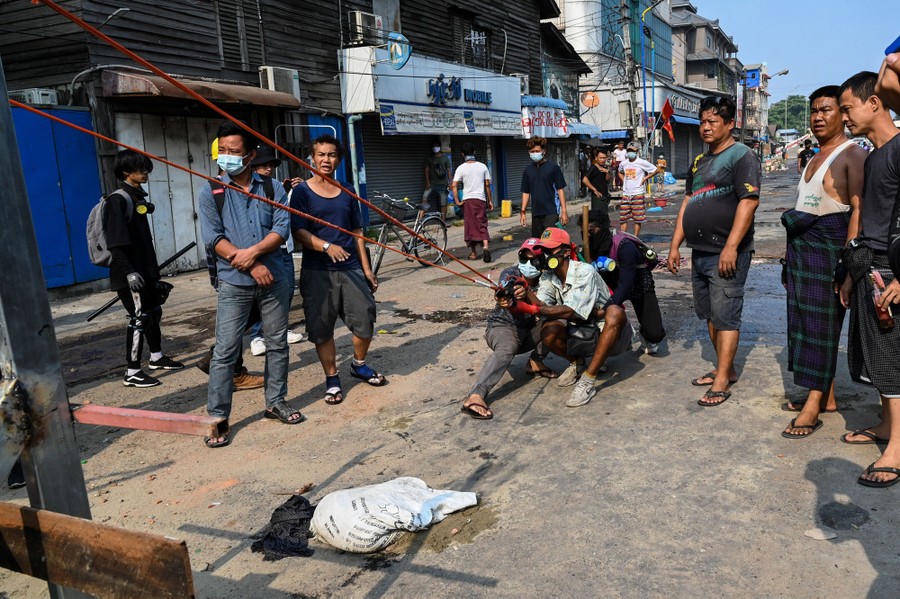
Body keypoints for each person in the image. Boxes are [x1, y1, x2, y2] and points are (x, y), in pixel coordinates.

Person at [198, 121, 300, 448]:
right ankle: (218, 417)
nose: (226, 157)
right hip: (234, 281)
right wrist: (252, 264)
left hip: (275, 277)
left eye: (234, 152)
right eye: (222, 151)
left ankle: (275, 401)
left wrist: (254, 255)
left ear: (251, 155)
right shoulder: (211, 190)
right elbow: (214, 238)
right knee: (226, 350)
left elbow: (281, 229)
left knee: (277, 343)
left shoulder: (272, 189)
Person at [780, 85, 865, 439]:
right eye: (814, 111)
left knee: (822, 328)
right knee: (803, 324)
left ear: (842, 115)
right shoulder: (815, 155)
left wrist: (847, 263)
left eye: (826, 110)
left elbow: (859, 209)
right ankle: (826, 397)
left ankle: (813, 406)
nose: (818, 117)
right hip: (803, 250)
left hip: (829, 250)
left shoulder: (852, 155)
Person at [666, 95, 761, 407]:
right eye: (702, 122)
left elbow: (748, 202)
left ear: (729, 124)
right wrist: (674, 245)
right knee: (708, 313)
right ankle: (726, 368)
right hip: (700, 252)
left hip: (727, 252)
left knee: (726, 316)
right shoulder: (699, 161)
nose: (705, 128)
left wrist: (731, 247)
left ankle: (722, 380)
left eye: (712, 122)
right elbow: (687, 203)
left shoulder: (742, 156)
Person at [836, 71, 900, 487]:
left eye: (847, 108)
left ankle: (897, 447)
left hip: (890, 269)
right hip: (867, 263)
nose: (844, 117)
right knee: (876, 355)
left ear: (873, 103)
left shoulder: (898, 149)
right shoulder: (875, 155)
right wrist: (849, 274)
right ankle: (884, 425)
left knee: (893, 360)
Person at [291, 135, 385, 407]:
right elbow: (299, 231)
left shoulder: (347, 190)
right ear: (312, 158)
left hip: (351, 267)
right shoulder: (302, 192)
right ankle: (332, 378)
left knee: (365, 319)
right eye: (320, 154)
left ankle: (358, 364)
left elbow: (357, 232)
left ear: (339, 160)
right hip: (317, 269)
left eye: (331, 155)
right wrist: (325, 246)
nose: (326, 160)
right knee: (322, 328)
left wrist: (367, 269)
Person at [525, 228, 632, 408]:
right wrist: (524, 291)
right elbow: (543, 305)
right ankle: (577, 363)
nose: (545, 255)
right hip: (581, 333)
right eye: (543, 250)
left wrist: (537, 308)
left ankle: (588, 381)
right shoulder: (547, 277)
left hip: (611, 335)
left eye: (550, 250)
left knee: (614, 312)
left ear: (566, 252)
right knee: (548, 330)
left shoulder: (585, 271)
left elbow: (570, 312)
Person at [105, 149, 184, 388]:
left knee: (153, 312)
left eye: (146, 167)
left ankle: (157, 357)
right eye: (140, 169)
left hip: (144, 271)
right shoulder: (118, 200)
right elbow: (115, 244)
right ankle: (132, 372)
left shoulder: (136, 196)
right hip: (130, 275)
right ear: (126, 172)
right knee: (139, 318)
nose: (146, 172)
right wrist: (129, 272)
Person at [461, 238, 557, 420]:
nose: (527, 264)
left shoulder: (548, 278)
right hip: (502, 326)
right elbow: (507, 285)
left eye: (533, 260)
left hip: (529, 331)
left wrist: (528, 294)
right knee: (507, 348)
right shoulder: (511, 272)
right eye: (524, 259)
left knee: (558, 319)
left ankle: (536, 362)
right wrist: (507, 296)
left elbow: (546, 307)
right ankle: (476, 395)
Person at [247, 146, 305, 356]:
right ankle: (256, 336)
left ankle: (280, 329)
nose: (268, 169)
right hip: (264, 251)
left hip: (285, 249)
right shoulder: (250, 190)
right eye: (263, 165)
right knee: (261, 294)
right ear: (253, 167)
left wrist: (298, 189)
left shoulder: (278, 188)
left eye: (270, 165)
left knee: (287, 291)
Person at [584, 212, 666, 355]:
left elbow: (626, 285)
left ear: (602, 228)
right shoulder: (589, 246)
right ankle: (605, 346)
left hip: (638, 283)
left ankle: (645, 334)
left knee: (655, 334)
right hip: (610, 284)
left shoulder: (624, 246)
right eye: (585, 233)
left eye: (591, 231)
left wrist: (607, 307)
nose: (588, 236)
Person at [451, 143, 493, 262]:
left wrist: (457, 201)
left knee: (470, 227)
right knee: (482, 224)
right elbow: (487, 185)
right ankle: (485, 247)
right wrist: (490, 200)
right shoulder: (483, 166)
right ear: (474, 152)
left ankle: (474, 253)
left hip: (468, 200)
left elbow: (454, 185)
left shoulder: (461, 168)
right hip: (480, 199)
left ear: (462, 154)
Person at [520, 136, 568, 238]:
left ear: (544, 151)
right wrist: (523, 212)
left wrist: (564, 211)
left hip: (551, 212)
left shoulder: (553, 168)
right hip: (536, 213)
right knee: (537, 243)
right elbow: (526, 192)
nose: (534, 153)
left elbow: (560, 190)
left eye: (537, 151)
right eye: (532, 151)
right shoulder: (528, 170)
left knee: (549, 242)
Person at [617, 142, 657, 237]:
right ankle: (623, 237)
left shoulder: (642, 162)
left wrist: (645, 178)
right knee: (623, 217)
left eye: (633, 151)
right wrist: (623, 180)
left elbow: (656, 170)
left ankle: (635, 237)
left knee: (637, 218)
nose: (631, 152)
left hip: (637, 193)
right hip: (626, 193)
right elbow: (619, 172)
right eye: (629, 150)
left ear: (637, 151)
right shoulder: (624, 163)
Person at [424, 142, 451, 220]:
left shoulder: (445, 158)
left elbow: (449, 171)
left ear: (440, 147)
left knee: (443, 204)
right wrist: (427, 182)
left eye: (436, 146)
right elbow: (426, 170)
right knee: (424, 200)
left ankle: (443, 221)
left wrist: (450, 183)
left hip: (443, 185)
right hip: (432, 184)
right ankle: (420, 220)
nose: (435, 148)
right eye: (434, 146)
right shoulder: (430, 158)